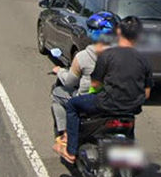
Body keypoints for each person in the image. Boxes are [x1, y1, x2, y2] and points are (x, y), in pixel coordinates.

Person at [53, 16, 152, 164]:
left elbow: (96, 84)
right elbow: (147, 92)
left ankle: (71, 150)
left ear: (119, 32)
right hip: (132, 108)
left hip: (106, 104)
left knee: (73, 105)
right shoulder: (144, 59)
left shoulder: (107, 55)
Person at [50, 13, 116, 149]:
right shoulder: (122, 54)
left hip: (89, 100)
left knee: (57, 94)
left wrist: (60, 71)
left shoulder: (83, 57)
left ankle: (65, 135)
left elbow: (69, 82)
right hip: (116, 100)